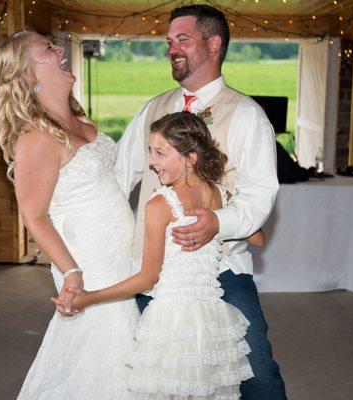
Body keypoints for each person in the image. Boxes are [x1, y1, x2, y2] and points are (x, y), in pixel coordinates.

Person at [115, 5, 286, 399]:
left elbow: (260, 194)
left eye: (182, 39)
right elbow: (119, 179)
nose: (172, 48)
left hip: (221, 269)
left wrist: (216, 223)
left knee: (255, 373)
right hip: (155, 272)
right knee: (163, 377)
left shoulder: (247, 115)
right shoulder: (151, 109)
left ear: (213, 44)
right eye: (169, 41)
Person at [59, 111, 257, 399]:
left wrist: (90, 297)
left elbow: (147, 278)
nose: (152, 162)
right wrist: (222, 220)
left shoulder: (161, 204)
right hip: (211, 318)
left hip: (173, 321)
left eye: (160, 153)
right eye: (151, 151)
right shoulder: (221, 195)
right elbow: (257, 235)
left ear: (191, 158)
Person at [0, 29, 138, 399]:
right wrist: (72, 272)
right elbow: (34, 215)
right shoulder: (37, 137)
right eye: (47, 48)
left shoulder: (78, 119)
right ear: (27, 74)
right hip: (88, 262)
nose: (59, 49)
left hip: (121, 255)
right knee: (104, 351)